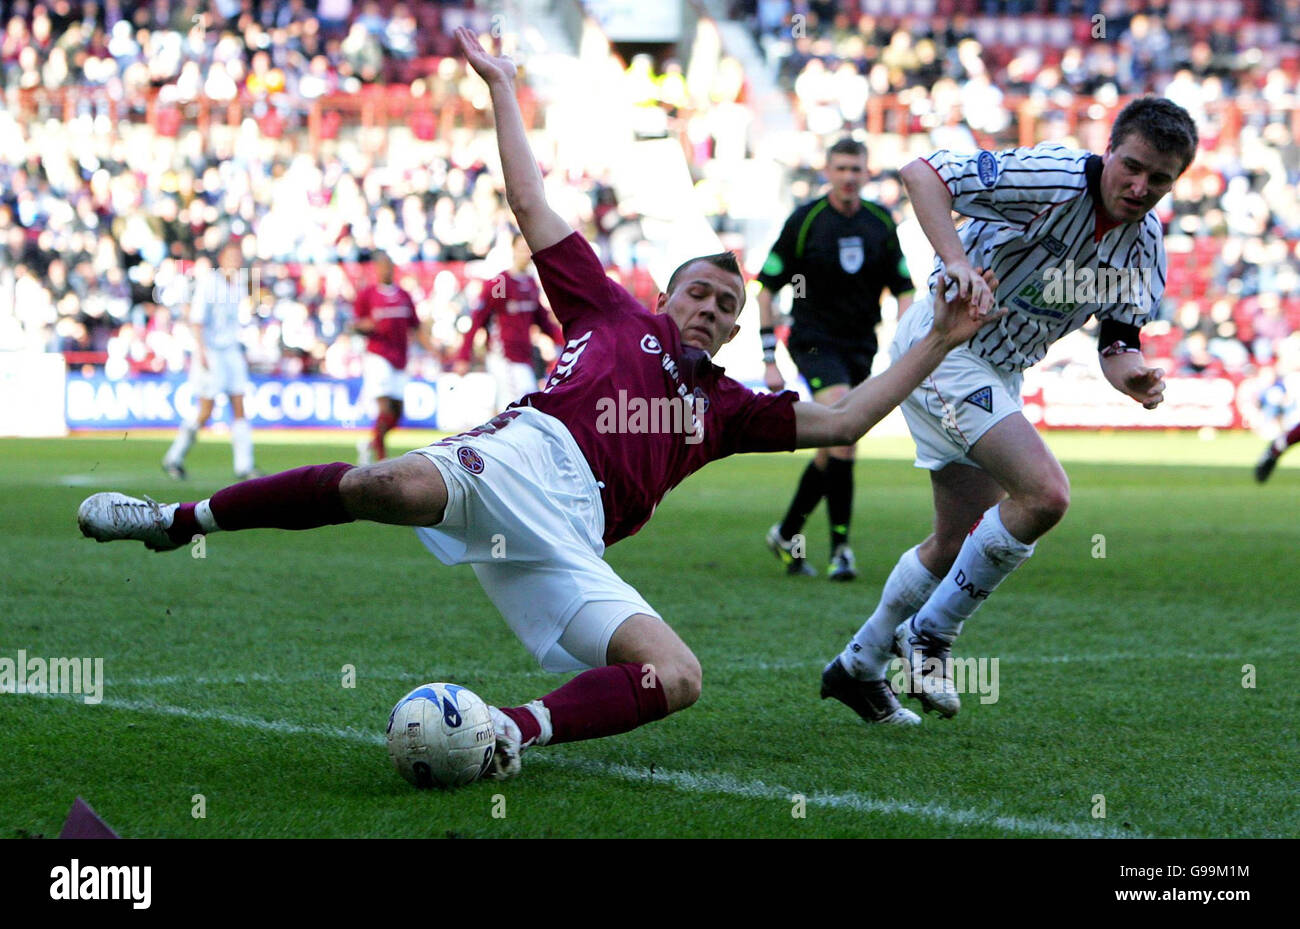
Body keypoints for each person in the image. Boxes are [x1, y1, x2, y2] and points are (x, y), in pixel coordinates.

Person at [76, 27, 1001, 777]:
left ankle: (506, 733)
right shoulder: (606, 308)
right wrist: (503, 89)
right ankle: (175, 515)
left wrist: (937, 341)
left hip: (572, 535)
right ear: (666, 297)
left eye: (726, 305)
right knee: (388, 488)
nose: (711, 309)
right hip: (522, 454)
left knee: (676, 675)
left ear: (729, 329)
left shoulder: (725, 407)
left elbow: (842, 420)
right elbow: (531, 201)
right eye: (698, 294)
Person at [822, 97, 1197, 726]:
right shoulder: (1050, 176)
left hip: (998, 369)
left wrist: (1130, 375)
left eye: (1160, 179)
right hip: (944, 349)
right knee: (1046, 495)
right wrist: (957, 262)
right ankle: (932, 635)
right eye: (1131, 166)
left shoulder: (1145, 246)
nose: (1140, 187)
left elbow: (1118, 342)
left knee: (955, 541)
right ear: (1109, 150)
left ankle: (857, 667)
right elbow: (922, 174)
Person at [758, 138, 915, 581]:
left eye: (856, 169)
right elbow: (767, 288)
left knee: (835, 443)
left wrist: (904, 340)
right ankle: (841, 550)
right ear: (827, 171)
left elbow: (904, 287)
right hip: (812, 341)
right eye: (841, 168)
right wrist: (769, 356)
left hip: (860, 346)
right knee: (844, 435)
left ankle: (788, 533)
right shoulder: (805, 221)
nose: (849, 176)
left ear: (868, 173)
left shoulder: (881, 222)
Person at [162, 241, 261, 481]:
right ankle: (174, 457)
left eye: (238, 257)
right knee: (206, 410)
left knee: (240, 405)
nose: (235, 261)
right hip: (211, 352)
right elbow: (197, 320)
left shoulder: (238, 285)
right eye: (231, 256)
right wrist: (201, 352)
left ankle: (245, 467)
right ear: (221, 259)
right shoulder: (209, 283)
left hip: (231, 351)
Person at [453, 232, 564, 412]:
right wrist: (463, 356)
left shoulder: (529, 284)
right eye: (522, 249)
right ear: (513, 250)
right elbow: (477, 320)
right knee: (521, 408)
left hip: (524, 357)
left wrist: (568, 342)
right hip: (504, 356)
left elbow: (544, 323)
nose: (526, 254)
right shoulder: (501, 284)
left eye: (529, 249)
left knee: (514, 410)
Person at [353, 251, 431, 465]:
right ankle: (382, 459)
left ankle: (370, 444)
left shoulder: (404, 296)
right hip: (378, 356)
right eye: (382, 266)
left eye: (390, 266)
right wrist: (363, 327)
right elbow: (355, 324)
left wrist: (432, 349)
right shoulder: (367, 294)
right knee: (384, 406)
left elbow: (416, 326)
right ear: (376, 269)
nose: (386, 270)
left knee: (397, 413)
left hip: (400, 357)